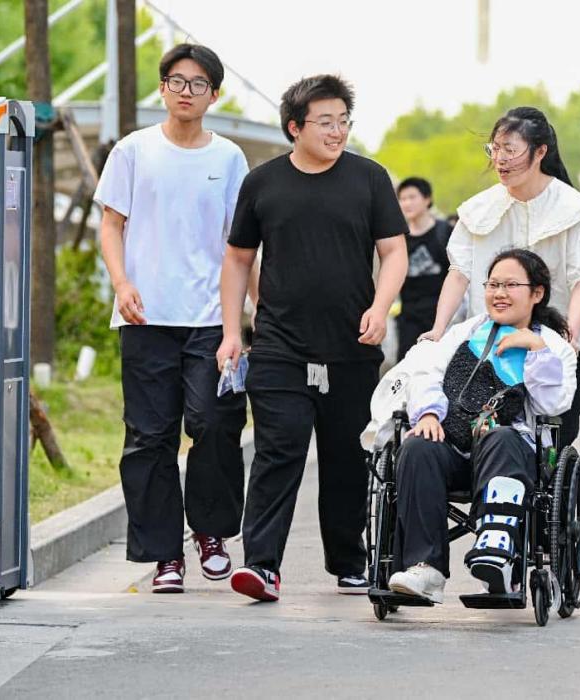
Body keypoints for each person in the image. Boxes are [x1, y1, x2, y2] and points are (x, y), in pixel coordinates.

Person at [217, 74, 408, 602]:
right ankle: (261, 565)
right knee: (280, 449)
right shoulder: (263, 183)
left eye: (344, 121)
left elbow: (393, 251)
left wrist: (379, 307)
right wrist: (234, 331)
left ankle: (349, 560)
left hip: (352, 345)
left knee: (347, 454)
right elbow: (237, 260)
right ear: (295, 127)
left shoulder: (369, 178)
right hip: (279, 344)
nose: (338, 131)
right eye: (326, 122)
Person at [96, 43, 251, 594]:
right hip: (144, 317)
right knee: (149, 436)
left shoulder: (229, 158)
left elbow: (242, 245)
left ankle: (210, 533)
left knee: (213, 423)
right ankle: (164, 554)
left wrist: (250, 320)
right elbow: (111, 225)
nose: (187, 91)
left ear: (215, 94)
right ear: (162, 88)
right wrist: (121, 282)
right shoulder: (133, 151)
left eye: (199, 83)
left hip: (212, 317)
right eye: (177, 81)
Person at [386, 249, 576, 602]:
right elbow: (428, 370)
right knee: (416, 446)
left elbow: (553, 404)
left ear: (537, 293)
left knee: (501, 436)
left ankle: (498, 551)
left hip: (512, 455)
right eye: (493, 284)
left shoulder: (554, 346)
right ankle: (425, 569)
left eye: (510, 285)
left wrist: (534, 349)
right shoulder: (468, 331)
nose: (499, 293)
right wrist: (427, 413)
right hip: (456, 448)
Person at [422, 107, 580, 448]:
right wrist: (438, 328)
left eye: (510, 149)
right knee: (475, 435)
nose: (500, 160)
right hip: (489, 345)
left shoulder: (574, 210)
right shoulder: (477, 210)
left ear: (540, 152)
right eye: (495, 149)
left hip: (555, 344)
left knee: (551, 443)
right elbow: (458, 272)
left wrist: (569, 337)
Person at [395, 177, 451, 363]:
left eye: (412, 197)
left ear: (427, 199)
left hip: (441, 316)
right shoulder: (397, 236)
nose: (407, 203)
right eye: (402, 199)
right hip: (409, 317)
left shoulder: (444, 232)